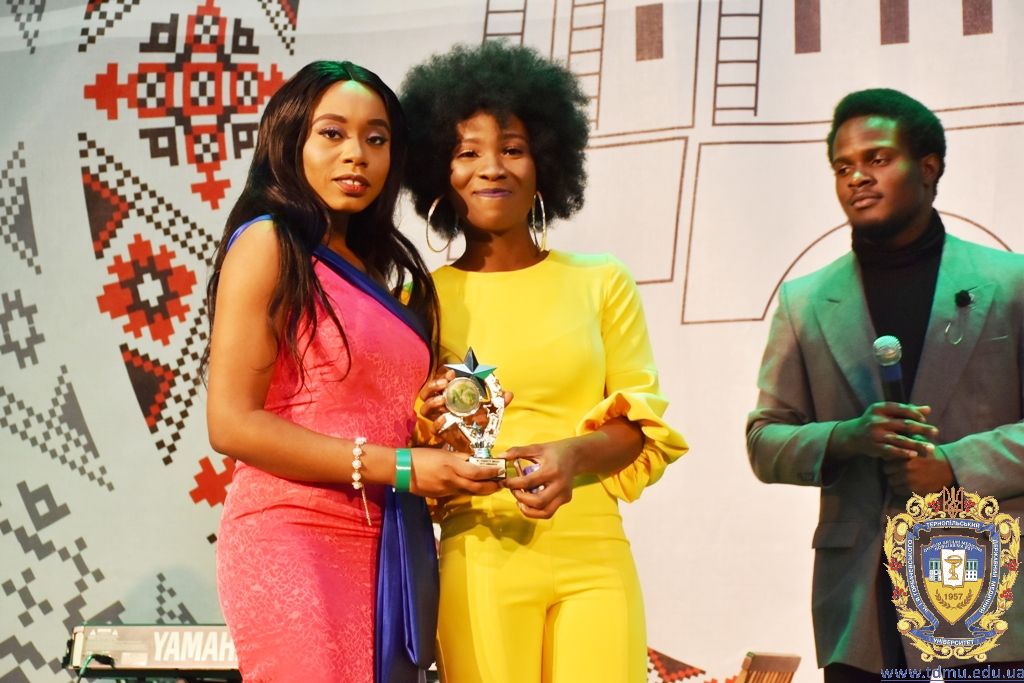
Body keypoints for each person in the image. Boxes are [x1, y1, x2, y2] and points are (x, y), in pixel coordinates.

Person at [202, 60, 502, 682]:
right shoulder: (269, 243)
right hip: (294, 534)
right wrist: (402, 467)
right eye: (332, 133)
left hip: (388, 544)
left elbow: (375, 415)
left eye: (376, 138)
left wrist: (442, 427)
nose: (357, 155)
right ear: (290, 140)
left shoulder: (375, 270)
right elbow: (231, 423)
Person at [400, 42, 688, 683]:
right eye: (466, 152)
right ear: (437, 170)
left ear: (545, 163)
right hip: (478, 554)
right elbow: (409, 445)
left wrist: (572, 456)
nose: (491, 168)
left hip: (593, 552)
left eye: (513, 148)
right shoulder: (420, 300)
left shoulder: (601, 281)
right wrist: (434, 429)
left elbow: (640, 427)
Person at [746, 88, 1024, 681]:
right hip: (861, 608)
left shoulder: (1011, 283)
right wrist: (847, 437)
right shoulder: (804, 302)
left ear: (928, 168)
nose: (857, 178)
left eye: (877, 158)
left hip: (984, 592)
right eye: (842, 167)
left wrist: (954, 465)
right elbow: (765, 441)